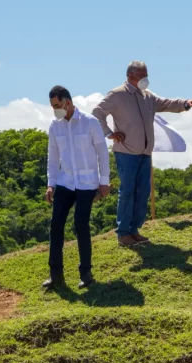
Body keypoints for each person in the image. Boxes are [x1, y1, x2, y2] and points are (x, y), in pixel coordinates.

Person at [92, 60, 192, 246]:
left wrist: (186, 103)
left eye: (146, 75)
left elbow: (166, 103)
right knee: (127, 192)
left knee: (142, 192)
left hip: (145, 153)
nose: (146, 79)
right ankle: (123, 233)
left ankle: (134, 230)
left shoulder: (147, 96)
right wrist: (109, 134)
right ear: (130, 76)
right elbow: (97, 112)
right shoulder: (117, 95)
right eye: (142, 75)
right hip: (126, 153)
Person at [43, 85, 111, 290]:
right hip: (65, 181)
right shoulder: (55, 126)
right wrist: (50, 184)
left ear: (68, 102)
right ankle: (56, 275)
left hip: (87, 183)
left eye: (57, 105)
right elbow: (53, 158)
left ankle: (86, 273)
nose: (55, 109)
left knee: (81, 225)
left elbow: (102, 151)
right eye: (52, 106)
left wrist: (104, 180)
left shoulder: (90, 123)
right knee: (56, 226)